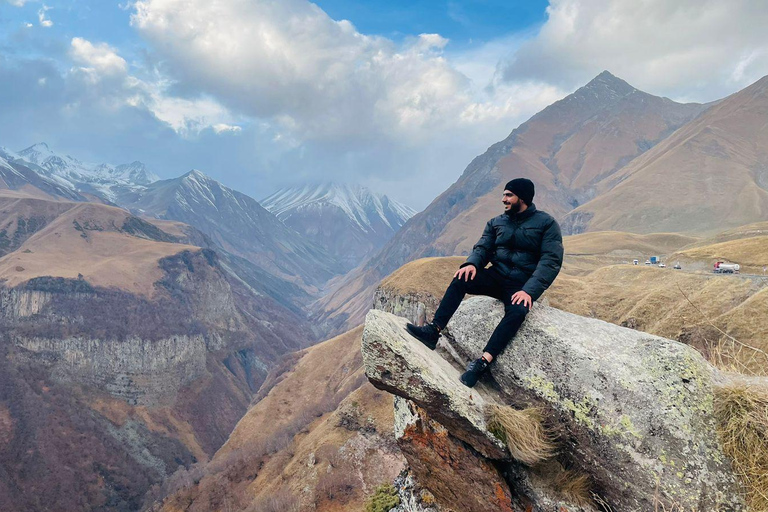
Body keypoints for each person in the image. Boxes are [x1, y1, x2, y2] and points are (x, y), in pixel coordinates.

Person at [406, 178, 563, 387]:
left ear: (522, 198)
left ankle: (482, 363)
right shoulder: (496, 222)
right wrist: (472, 264)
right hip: (496, 275)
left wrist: (529, 292)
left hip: (520, 285)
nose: (503, 199)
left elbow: (550, 261)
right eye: (504, 195)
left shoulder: (546, 224)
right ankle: (433, 331)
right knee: (461, 277)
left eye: (508, 195)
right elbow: (483, 248)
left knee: (517, 311)